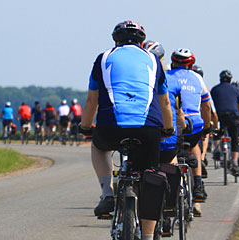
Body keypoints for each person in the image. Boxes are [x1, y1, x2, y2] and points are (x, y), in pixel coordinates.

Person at [79, 20, 173, 240]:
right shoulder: (153, 60)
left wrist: (85, 126)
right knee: (150, 181)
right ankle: (149, 236)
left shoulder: (102, 58)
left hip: (111, 125)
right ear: (142, 42)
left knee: (98, 146)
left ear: (115, 40)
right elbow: (165, 102)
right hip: (148, 127)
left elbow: (92, 100)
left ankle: (106, 192)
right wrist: (168, 128)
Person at [167, 49, 211, 217]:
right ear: (191, 65)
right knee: (194, 146)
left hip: (174, 123)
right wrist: (206, 128)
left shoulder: (167, 76)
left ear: (172, 63)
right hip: (194, 124)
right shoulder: (197, 78)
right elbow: (206, 106)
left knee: (169, 152)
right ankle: (198, 184)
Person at [211, 70, 239, 176]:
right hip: (232, 116)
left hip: (219, 116)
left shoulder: (215, 89)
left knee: (217, 134)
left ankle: (216, 149)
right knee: (234, 139)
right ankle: (234, 162)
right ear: (230, 80)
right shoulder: (235, 89)